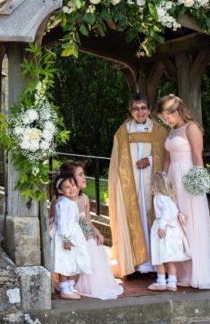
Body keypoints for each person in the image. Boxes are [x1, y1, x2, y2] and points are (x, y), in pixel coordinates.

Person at [157, 94, 210, 289]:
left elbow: (198, 157)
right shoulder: (172, 132)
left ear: (175, 112)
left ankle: (198, 274)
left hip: (188, 177)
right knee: (176, 224)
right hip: (173, 179)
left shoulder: (191, 128)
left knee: (191, 221)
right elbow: (167, 158)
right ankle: (182, 274)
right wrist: (162, 181)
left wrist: (198, 182)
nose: (166, 121)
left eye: (167, 117)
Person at [107, 94, 168, 278]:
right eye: (135, 108)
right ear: (130, 111)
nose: (139, 112)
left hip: (151, 183)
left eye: (143, 108)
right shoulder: (123, 130)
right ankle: (136, 263)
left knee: (152, 216)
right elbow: (117, 159)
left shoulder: (159, 130)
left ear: (149, 110)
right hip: (130, 185)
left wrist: (149, 160)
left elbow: (165, 154)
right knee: (135, 217)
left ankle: (155, 263)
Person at [61, 160, 124, 300]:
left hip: (83, 227)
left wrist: (97, 232)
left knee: (93, 244)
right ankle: (70, 283)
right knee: (79, 247)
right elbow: (56, 223)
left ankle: (95, 283)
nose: (84, 177)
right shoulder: (62, 201)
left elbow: (87, 221)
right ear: (70, 179)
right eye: (80, 175)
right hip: (69, 233)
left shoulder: (84, 198)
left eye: (84, 174)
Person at [147, 172, 191, 292]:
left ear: (156, 186)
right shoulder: (169, 199)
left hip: (163, 228)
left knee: (159, 256)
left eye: (151, 184)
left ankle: (161, 282)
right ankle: (172, 283)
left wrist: (161, 226)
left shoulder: (159, 197)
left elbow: (165, 212)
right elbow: (174, 211)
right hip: (173, 228)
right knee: (170, 259)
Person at [53, 172, 93, 299]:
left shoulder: (72, 202)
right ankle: (64, 288)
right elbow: (62, 224)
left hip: (75, 234)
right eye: (67, 187)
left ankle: (70, 286)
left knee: (72, 261)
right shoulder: (62, 204)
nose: (72, 189)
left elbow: (84, 220)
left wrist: (86, 234)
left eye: (73, 185)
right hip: (66, 236)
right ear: (60, 190)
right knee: (64, 262)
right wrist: (66, 239)